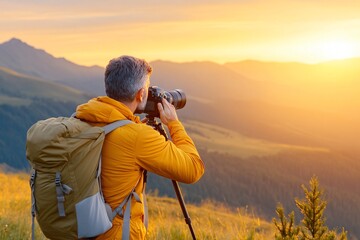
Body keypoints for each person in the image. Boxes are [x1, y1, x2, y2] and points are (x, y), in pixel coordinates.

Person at [74, 55, 205, 239]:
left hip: (81, 230)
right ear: (140, 94)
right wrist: (174, 124)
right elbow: (193, 169)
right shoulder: (137, 137)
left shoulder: (86, 117)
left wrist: (136, 126)